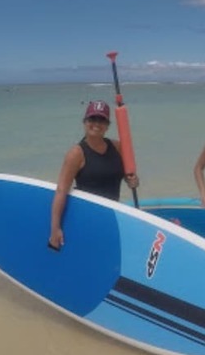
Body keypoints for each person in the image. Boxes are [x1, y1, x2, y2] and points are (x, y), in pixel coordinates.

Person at [48, 100, 139, 249]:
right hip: (86, 217)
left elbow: (128, 176)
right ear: (85, 122)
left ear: (107, 125)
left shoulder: (117, 147)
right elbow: (61, 190)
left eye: (102, 120)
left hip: (111, 215)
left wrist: (133, 181)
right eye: (92, 119)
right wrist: (55, 228)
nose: (97, 124)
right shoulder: (76, 154)